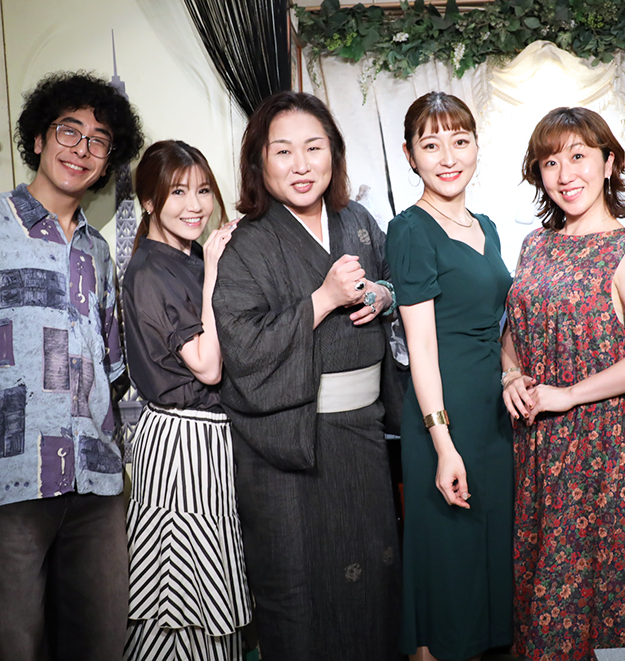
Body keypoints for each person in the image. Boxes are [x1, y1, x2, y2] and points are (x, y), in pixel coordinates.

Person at [0, 71, 144, 660]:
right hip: (6, 471)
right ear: (39, 139)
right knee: (12, 645)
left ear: (107, 161)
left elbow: (111, 364)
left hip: (96, 476)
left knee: (101, 643)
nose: (82, 149)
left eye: (99, 140)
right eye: (69, 131)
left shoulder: (98, 251)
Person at [212, 90, 402, 661]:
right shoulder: (246, 243)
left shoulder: (358, 220)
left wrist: (382, 295)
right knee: (298, 592)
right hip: (289, 446)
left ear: (334, 153)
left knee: (373, 579)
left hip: (362, 435)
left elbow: (394, 280)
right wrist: (323, 299)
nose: (301, 165)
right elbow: (241, 346)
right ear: (259, 161)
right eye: (283, 151)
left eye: (314, 148)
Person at [502, 106, 625, 661]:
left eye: (578, 156)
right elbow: (514, 331)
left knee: (600, 588)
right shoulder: (535, 244)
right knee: (544, 582)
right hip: (540, 443)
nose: (565, 174)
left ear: (608, 163)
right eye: (550, 162)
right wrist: (510, 374)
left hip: (608, 447)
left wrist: (569, 395)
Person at [385, 91, 513, 661]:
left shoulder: (488, 226)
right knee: (449, 567)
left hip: (494, 417)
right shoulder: (410, 229)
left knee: (488, 562)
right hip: (444, 416)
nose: (447, 157)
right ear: (410, 155)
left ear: (477, 146)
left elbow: (501, 324)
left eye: (459, 141)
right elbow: (421, 349)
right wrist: (443, 444)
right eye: (431, 145)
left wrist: (512, 375)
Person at [122, 141, 250, 659]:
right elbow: (208, 365)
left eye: (202, 190)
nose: (195, 205)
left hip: (204, 440)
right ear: (149, 201)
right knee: (177, 601)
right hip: (180, 443)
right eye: (178, 192)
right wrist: (216, 270)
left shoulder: (186, 257)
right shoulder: (151, 271)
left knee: (199, 597)